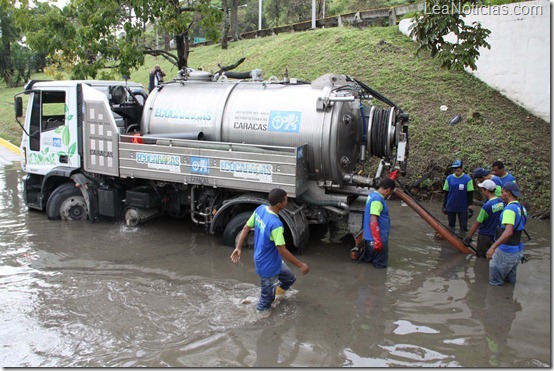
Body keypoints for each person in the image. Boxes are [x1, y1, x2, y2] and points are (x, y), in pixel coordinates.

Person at [230, 188, 310, 312]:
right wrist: (300, 265)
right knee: (266, 301)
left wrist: (238, 248)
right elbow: (282, 250)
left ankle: (275, 294)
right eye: (286, 200)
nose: (287, 202)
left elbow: (246, 228)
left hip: (272, 260)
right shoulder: (276, 225)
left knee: (289, 279)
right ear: (279, 204)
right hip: (267, 266)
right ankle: (259, 319)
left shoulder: (260, 209)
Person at [486, 181, 527, 286]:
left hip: (505, 251)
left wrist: (493, 247)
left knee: (495, 284)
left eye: (503, 192)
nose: (500, 194)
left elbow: (508, 232)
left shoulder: (509, 209)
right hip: (517, 251)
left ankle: (496, 301)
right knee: (510, 282)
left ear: (508, 193)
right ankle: (509, 300)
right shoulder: (522, 208)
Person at [463, 179, 504, 258]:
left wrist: (468, 237)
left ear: (487, 191)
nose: (481, 191)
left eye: (482, 189)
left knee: (481, 259)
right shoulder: (501, 202)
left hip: (485, 236)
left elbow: (477, 223)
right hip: (497, 235)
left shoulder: (487, 206)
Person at [362, 178, 396, 268]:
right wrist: (377, 240)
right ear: (388, 189)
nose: (389, 195)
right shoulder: (378, 199)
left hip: (369, 238)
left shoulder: (372, 195)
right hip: (378, 239)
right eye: (390, 192)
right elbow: (373, 219)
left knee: (369, 263)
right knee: (380, 266)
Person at [442, 160, 474, 232]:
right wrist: (444, 206)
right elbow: (446, 193)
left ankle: (462, 240)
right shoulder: (449, 178)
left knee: (463, 227)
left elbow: (470, 194)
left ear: (462, 169)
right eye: (455, 168)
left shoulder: (468, 179)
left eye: (458, 168)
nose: (456, 170)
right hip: (451, 206)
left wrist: (470, 207)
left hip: (463, 207)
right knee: (451, 226)